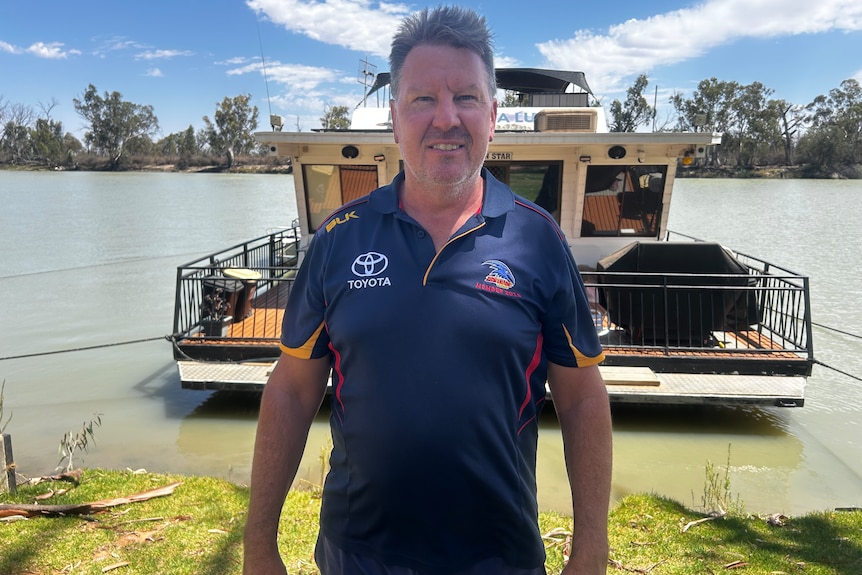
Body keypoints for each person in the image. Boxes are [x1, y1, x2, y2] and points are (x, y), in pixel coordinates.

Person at [243, 6, 612, 575]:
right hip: (356, 558)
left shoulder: (540, 241)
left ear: (492, 115)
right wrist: (258, 543)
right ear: (394, 117)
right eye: (422, 99)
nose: (446, 118)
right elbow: (291, 392)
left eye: (465, 97)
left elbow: (583, 398)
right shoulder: (338, 240)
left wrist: (591, 548)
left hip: (499, 559)